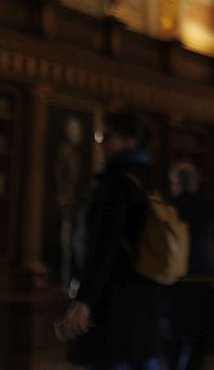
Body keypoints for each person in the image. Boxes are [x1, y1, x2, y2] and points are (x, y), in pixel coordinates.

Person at [58, 111, 167, 370]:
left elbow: (102, 246)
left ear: (129, 140)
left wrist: (85, 300)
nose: (101, 143)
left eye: (106, 136)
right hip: (146, 300)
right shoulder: (147, 181)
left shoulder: (115, 183)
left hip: (115, 302)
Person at [163, 161, 214, 370]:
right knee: (197, 343)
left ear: (175, 184)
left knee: (172, 343)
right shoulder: (210, 208)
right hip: (203, 282)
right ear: (196, 184)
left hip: (173, 284)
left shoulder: (167, 209)